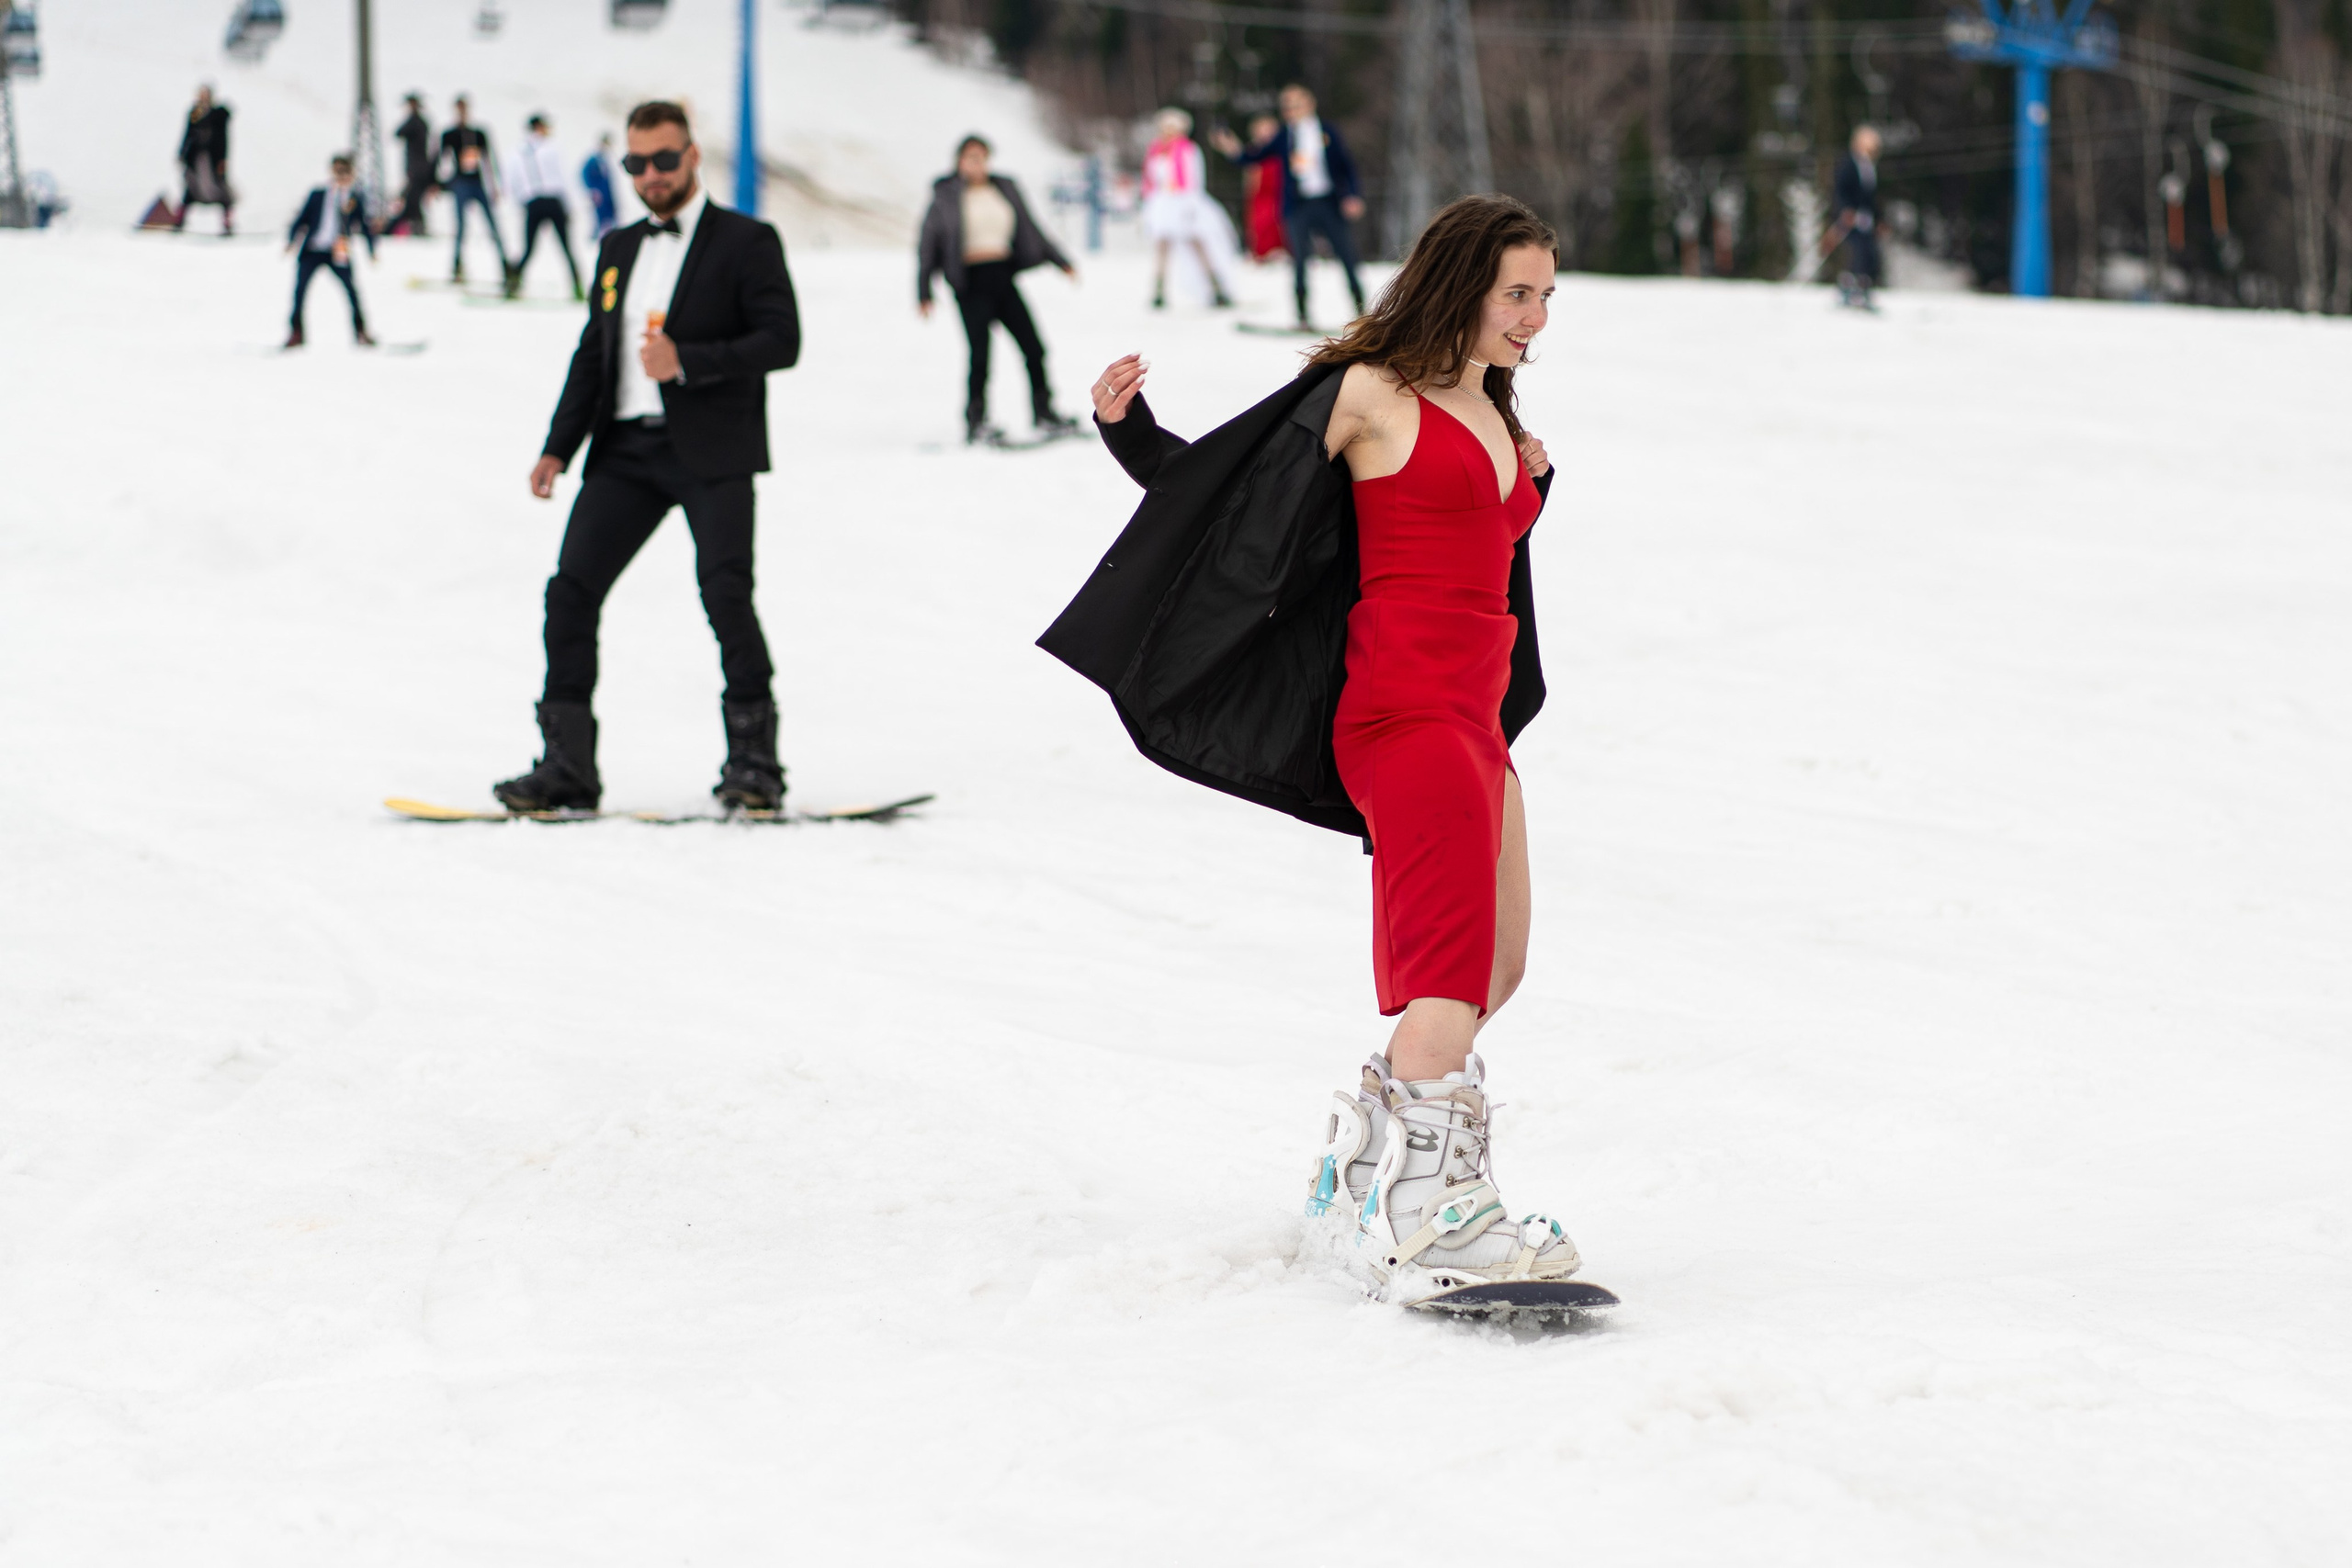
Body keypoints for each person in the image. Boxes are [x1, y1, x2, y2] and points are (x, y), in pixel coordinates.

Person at [1040, 196, 1584, 1309]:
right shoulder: (1370, 394)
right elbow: (1235, 500)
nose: (1535, 318)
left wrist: (1533, 482)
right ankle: (1437, 1217)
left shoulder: (1489, 402)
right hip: (1402, 714)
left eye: (1545, 297)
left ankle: (1367, 1162)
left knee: (1495, 970)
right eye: (1517, 294)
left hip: (1472, 717)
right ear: (1460, 284)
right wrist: (1134, 438)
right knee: (1444, 975)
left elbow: (1483, 544)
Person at [499, 101, 802, 815]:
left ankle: (755, 763)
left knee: (726, 596)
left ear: (693, 157)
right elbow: (592, 354)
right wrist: (556, 447)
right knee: (569, 592)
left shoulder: (747, 240)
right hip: (626, 451)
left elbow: (781, 340)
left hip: (712, 450)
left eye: (664, 160)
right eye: (637, 163)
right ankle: (567, 765)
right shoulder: (618, 247)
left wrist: (687, 361)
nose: (651, 175)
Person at [917, 136, 1080, 446]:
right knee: (981, 355)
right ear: (959, 161)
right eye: (970, 157)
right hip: (970, 282)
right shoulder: (946, 197)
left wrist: (1061, 261)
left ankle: (1044, 412)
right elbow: (927, 245)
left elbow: (1032, 228)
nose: (977, 163)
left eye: (982, 157)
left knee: (1034, 347)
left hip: (1002, 275)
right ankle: (976, 420)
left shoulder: (1003, 189)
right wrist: (923, 291)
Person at [1210, 85, 1366, 328]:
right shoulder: (1285, 135)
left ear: (1309, 104)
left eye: (1296, 104)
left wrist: (1353, 196)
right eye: (1287, 106)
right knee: (1300, 260)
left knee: (1346, 256)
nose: (1291, 110)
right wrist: (1230, 147)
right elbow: (1253, 158)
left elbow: (1347, 167)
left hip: (1328, 202)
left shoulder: (1327, 131)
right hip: (1298, 205)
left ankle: (1362, 313)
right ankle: (1302, 315)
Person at [1139, 107, 1233, 310]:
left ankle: (1217, 288)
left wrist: (1190, 205)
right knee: (1162, 247)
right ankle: (1158, 291)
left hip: (1184, 202)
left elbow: (1194, 180)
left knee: (1197, 243)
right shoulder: (1155, 151)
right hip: (1163, 204)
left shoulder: (1188, 150)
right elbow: (1150, 180)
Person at [283, 154, 377, 348]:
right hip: (313, 250)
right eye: (338, 171)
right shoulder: (318, 194)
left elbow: (365, 226)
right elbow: (302, 218)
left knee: (352, 291)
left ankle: (360, 332)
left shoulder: (354, 199)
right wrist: (292, 240)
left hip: (338, 252)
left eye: (345, 172)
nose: (341, 176)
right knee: (299, 292)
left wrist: (371, 249)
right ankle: (296, 333)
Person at [508, 113, 582, 299]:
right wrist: (568, 206)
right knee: (566, 247)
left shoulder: (519, 150)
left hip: (533, 201)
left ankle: (513, 281)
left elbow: (513, 180)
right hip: (552, 200)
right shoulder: (551, 148)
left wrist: (520, 201)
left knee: (529, 247)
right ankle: (577, 285)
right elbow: (562, 178)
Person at [438, 96, 511, 286]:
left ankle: (505, 265)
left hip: (477, 183)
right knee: (461, 227)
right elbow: (440, 160)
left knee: (493, 225)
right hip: (461, 182)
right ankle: (457, 265)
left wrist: (494, 185)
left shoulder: (478, 133)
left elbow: (489, 160)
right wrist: (440, 184)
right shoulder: (450, 134)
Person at [1831, 124, 1883, 310]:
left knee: (1869, 256)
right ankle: (1848, 291)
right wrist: (1846, 210)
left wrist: (1879, 220)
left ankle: (1863, 292)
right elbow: (1841, 190)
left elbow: (1871, 198)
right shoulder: (1849, 164)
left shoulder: (1869, 167)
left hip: (1866, 220)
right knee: (1856, 255)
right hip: (1850, 219)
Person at [175, 86, 233, 236]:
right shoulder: (195, 113)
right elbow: (188, 133)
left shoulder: (217, 115)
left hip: (213, 160)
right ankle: (179, 221)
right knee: (190, 191)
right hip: (196, 159)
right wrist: (182, 153)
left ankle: (227, 224)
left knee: (221, 192)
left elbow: (223, 139)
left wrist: (222, 160)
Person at [384, 94, 435, 237]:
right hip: (418, 168)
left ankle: (393, 228)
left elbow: (399, 133)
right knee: (412, 201)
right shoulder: (422, 123)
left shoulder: (416, 122)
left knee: (411, 201)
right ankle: (415, 227)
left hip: (417, 169)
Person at [1241, 112, 1286, 262]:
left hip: (1280, 190)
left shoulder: (1281, 148)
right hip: (1262, 192)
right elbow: (1250, 171)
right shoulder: (1254, 149)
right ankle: (1262, 252)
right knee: (1261, 222)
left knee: (1280, 220)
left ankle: (1281, 250)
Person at [581, 133, 620, 239]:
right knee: (600, 220)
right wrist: (592, 190)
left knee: (611, 218)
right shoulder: (593, 160)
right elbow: (585, 175)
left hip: (607, 195)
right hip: (599, 196)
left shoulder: (604, 160)